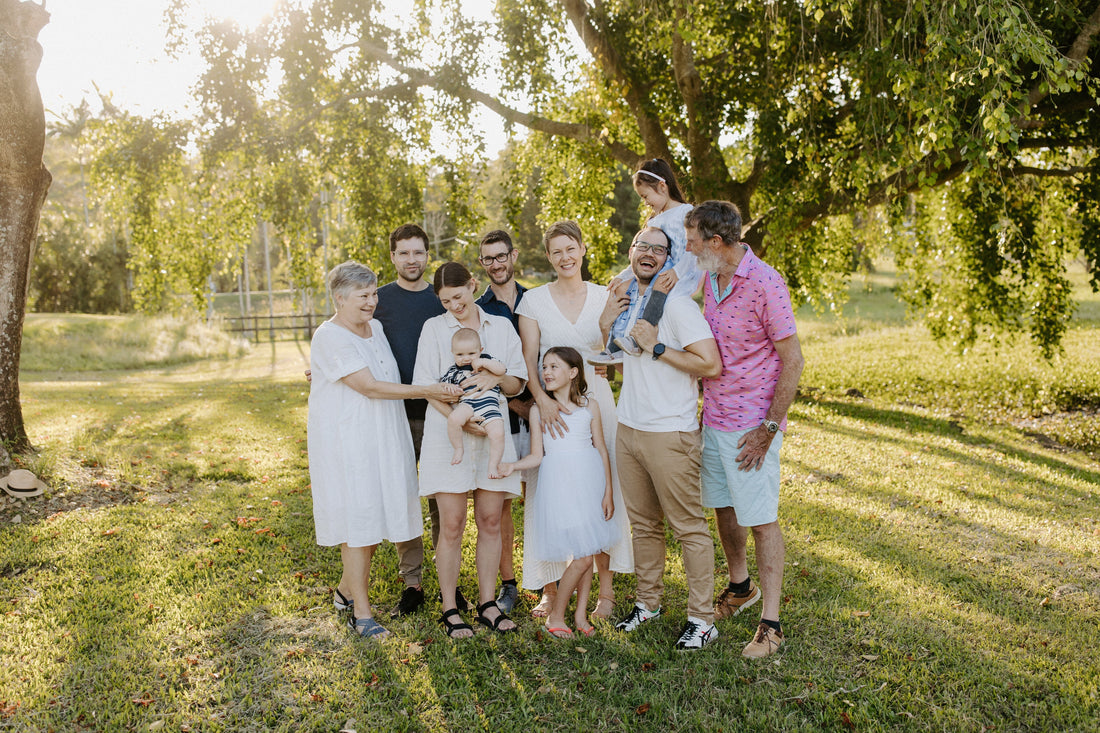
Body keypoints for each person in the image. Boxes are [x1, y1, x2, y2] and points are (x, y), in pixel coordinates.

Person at [307, 261, 462, 639]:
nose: (371, 302)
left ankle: (345, 592)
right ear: (339, 298)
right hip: (351, 444)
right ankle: (361, 614)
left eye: (374, 293)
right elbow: (370, 387)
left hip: (385, 438)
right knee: (358, 526)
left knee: (374, 522)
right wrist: (426, 389)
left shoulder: (375, 328)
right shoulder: (329, 336)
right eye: (362, 296)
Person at [686, 200, 804, 659]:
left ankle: (771, 625)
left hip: (753, 426)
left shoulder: (766, 283)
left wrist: (768, 429)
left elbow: (793, 360)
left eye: (694, 241)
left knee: (760, 519)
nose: (689, 249)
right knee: (723, 507)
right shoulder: (711, 278)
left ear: (716, 242)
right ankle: (740, 588)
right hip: (713, 418)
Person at [597, 227, 724, 650]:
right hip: (629, 428)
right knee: (644, 526)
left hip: (670, 433)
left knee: (688, 528)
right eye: (643, 246)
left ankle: (702, 620)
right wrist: (605, 327)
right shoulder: (630, 304)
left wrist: (658, 348)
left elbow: (710, 365)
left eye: (659, 248)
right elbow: (620, 362)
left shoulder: (678, 306)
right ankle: (647, 604)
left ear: (668, 259)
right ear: (630, 252)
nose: (649, 253)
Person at [516, 220, 634, 620]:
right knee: (548, 492)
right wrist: (542, 402)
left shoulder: (606, 296)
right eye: (556, 251)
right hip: (552, 404)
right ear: (548, 257)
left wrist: (606, 366)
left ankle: (606, 591)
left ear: (583, 249)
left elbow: (620, 355)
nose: (565, 257)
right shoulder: (533, 301)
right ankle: (550, 589)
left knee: (600, 486)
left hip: (595, 401)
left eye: (571, 248)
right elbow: (530, 360)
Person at [413, 262, 528, 638]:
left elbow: (517, 383)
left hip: (493, 432)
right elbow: (426, 386)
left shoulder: (501, 326)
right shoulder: (433, 329)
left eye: (458, 297)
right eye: (446, 301)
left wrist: (496, 377)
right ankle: (449, 608)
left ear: (473, 286)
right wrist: (460, 420)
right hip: (450, 433)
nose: (454, 306)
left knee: (491, 520)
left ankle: (487, 603)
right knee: (452, 523)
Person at [498, 347, 617, 639]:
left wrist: (608, 492)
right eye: (544, 367)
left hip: (589, 483)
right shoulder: (538, 410)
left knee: (587, 550)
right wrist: (512, 465)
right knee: (583, 558)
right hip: (560, 485)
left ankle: (580, 615)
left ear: (573, 372)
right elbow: (537, 455)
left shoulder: (590, 406)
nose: (547, 372)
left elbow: (602, 449)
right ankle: (556, 616)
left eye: (554, 367)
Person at [371, 223, 448, 619]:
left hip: (438, 414)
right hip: (395, 415)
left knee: (442, 501)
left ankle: (448, 579)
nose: (412, 259)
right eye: (404, 253)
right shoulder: (378, 300)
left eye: (418, 252)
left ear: (427, 254)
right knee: (404, 498)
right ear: (393, 257)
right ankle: (412, 583)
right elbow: (347, 333)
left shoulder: (441, 299)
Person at [594, 158, 702, 362]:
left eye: (645, 196)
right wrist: (622, 275)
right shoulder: (654, 219)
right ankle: (614, 346)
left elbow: (692, 249)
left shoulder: (685, 212)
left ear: (662, 186)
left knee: (653, 289)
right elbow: (644, 253)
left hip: (680, 273)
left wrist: (677, 272)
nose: (645, 202)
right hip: (661, 271)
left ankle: (637, 340)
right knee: (625, 289)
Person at [474, 229, 530, 613]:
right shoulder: (479, 310)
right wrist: (517, 405)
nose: (496, 264)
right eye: (488, 259)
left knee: (546, 496)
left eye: (501, 256)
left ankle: (549, 579)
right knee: (505, 503)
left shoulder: (536, 301)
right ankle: (509, 583)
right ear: (482, 264)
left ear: (513, 256)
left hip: (544, 412)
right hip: (504, 417)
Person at [440, 328, 507, 476]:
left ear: (480, 350)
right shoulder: (453, 371)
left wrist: (484, 362)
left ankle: (493, 465)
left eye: (471, 353)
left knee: (498, 433)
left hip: (489, 405)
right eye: (460, 354)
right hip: (467, 404)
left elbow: (502, 370)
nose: (466, 359)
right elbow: (443, 386)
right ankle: (458, 448)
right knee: (453, 419)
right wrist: (450, 387)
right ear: (452, 352)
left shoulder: (487, 361)